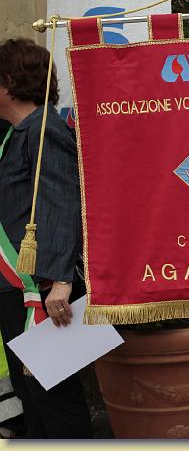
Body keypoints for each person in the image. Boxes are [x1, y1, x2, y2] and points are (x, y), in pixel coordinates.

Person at [0, 38, 93, 438]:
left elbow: (62, 203)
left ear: (8, 82)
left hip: (44, 289)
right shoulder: (17, 133)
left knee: (54, 397)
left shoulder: (44, 130)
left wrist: (61, 281)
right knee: (31, 396)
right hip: (16, 287)